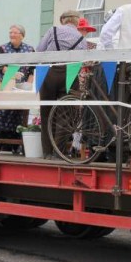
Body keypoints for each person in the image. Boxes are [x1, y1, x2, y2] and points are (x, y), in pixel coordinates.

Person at [37, 11, 87, 159]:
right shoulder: (81, 38)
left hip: (49, 72)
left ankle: (47, 152)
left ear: (63, 20)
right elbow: (83, 58)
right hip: (70, 74)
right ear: (76, 22)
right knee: (65, 114)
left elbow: (39, 49)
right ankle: (59, 152)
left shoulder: (53, 30)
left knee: (46, 112)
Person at [0, 25, 35, 151]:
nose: (12, 35)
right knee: (1, 112)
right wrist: (10, 73)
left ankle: (16, 144)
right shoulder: (3, 48)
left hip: (21, 87)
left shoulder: (30, 49)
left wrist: (29, 87)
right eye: (10, 32)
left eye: (15, 32)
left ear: (22, 35)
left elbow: (32, 70)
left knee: (18, 113)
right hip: (5, 85)